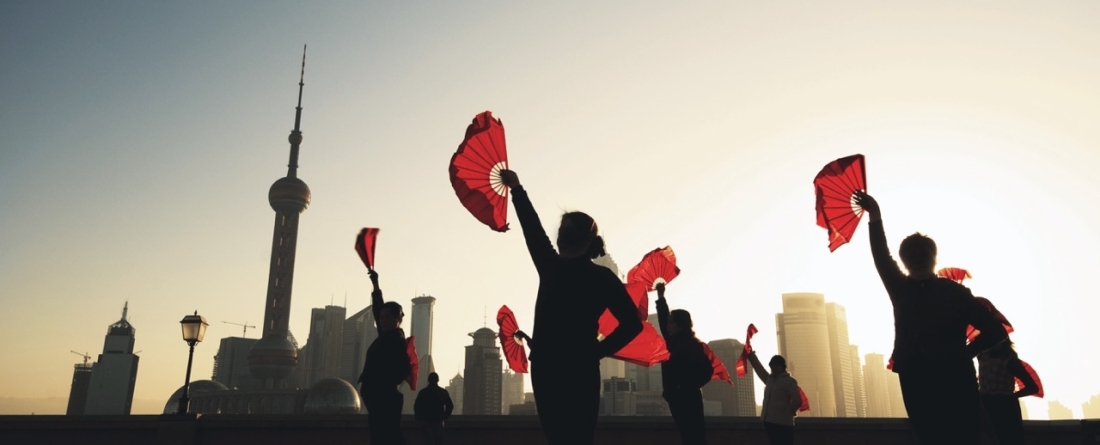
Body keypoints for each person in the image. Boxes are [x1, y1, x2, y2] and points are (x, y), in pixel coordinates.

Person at [499, 169, 643, 445]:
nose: (559, 234)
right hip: (578, 369)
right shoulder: (600, 278)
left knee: (560, 438)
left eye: (564, 230)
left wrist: (518, 190)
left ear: (581, 240)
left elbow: (532, 229)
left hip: (550, 369)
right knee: (577, 437)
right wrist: (595, 352)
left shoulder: (551, 266)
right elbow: (632, 324)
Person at [854, 191, 1008, 445]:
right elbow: (997, 331)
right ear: (935, 258)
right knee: (964, 436)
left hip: (915, 375)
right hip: (956, 375)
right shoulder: (956, 292)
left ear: (904, 261)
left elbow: (881, 256)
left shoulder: (900, 288)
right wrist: (964, 353)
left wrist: (876, 216)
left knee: (929, 435)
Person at [357, 269, 411, 445]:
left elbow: (403, 368)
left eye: (388, 317)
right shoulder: (387, 336)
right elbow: (378, 307)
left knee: (387, 437)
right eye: (381, 317)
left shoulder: (396, 340)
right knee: (382, 437)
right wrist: (375, 284)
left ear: (397, 319)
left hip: (384, 398)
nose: (383, 320)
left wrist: (383, 382)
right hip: (378, 396)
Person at [974, 299, 1038, 445]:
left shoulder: (1010, 361)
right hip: (985, 404)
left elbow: (1032, 387)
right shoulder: (982, 355)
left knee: (1007, 439)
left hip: (1004, 408)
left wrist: (1010, 397)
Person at [655, 282, 712, 445]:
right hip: (678, 397)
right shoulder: (674, 342)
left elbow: (706, 371)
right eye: (669, 322)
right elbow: (663, 319)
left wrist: (684, 386)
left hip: (687, 399)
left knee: (693, 438)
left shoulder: (689, 344)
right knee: (689, 437)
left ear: (681, 325)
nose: (668, 325)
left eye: (672, 323)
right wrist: (660, 297)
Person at [747, 351, 801, 445]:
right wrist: (751, 356)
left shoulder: (789, 381)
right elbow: (760, 370)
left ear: (782, 366)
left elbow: (797, 401)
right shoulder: (770, 380)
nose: (773, 369)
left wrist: (787, 411)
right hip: (769, 421)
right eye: (771, 367)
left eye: (775, 366)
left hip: (784, 424)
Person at [414, 372, 454, 445]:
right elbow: (450, 406)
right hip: (438, 421)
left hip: (425, 421)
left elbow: (417, 407)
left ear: (428, 380)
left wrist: (419, 418)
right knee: (437, 441)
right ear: (437, 380)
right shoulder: (442, 392)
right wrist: (444, 416)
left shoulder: (423, 393)